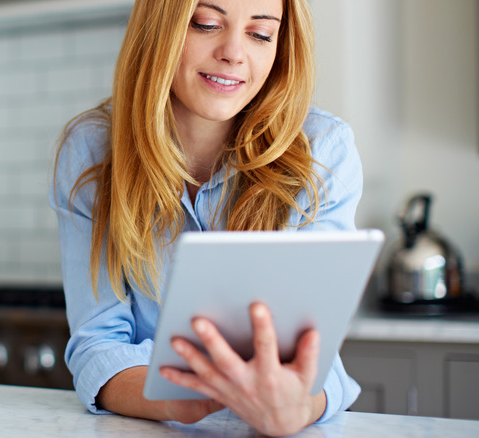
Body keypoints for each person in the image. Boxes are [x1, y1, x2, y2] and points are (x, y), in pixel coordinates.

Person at [49, 0, 362, 435]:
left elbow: (315, 360)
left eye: (260, 34)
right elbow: (98, 346)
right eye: (206, 24)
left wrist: (295, 407)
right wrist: (186, 395)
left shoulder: (323, 151)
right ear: (159, 30)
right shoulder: (92, 152)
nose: (234, 52)